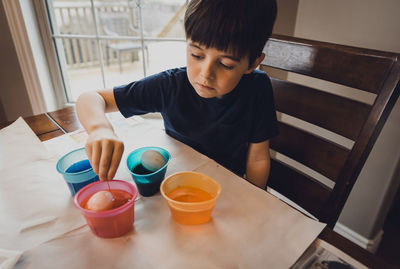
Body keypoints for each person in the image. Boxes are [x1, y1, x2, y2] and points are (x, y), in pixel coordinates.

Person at [76, 0, 278, 189]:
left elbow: (258, 158)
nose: (205, 74)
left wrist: (256, 197)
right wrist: (99, 128)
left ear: (252, 63)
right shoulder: (169, 86)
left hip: (227, 190)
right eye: (197, 55)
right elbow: (91, 98)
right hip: (176, 185)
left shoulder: (257, 88)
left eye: (226, 64)